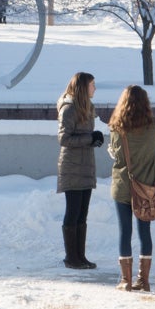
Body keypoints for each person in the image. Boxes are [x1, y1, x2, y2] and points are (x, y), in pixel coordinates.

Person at [107, 85, 155, 291]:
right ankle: (143, 280)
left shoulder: (116, 128)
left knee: (124, 231)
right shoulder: (154, 126)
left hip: (123, 186)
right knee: (144, 231)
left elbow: (117, 155)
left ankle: (126, 280)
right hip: (146, 185)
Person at [57, 72, 104, 269]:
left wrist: (95, 140)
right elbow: (64, 139)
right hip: (72, 167)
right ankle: (71, 258)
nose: (95, 88)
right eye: (92, 85)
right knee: (73, 211)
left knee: (82, 213)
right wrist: (89, 138)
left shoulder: (87, 108)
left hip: (85, 165)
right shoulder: (69, 109)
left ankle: (80, 256)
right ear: (83, 87)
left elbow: (84, 136)